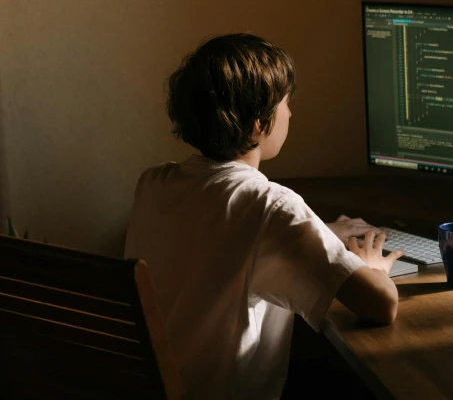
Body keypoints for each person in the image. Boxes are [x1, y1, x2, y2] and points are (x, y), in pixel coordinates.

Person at [124, 34, 404, 400]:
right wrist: (369, 266)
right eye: (286, 104)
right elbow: (382, 305)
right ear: (260, 123)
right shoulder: (270, 206)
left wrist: (319, 231)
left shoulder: (154, 182)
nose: (290, 113)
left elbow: (218, 238)